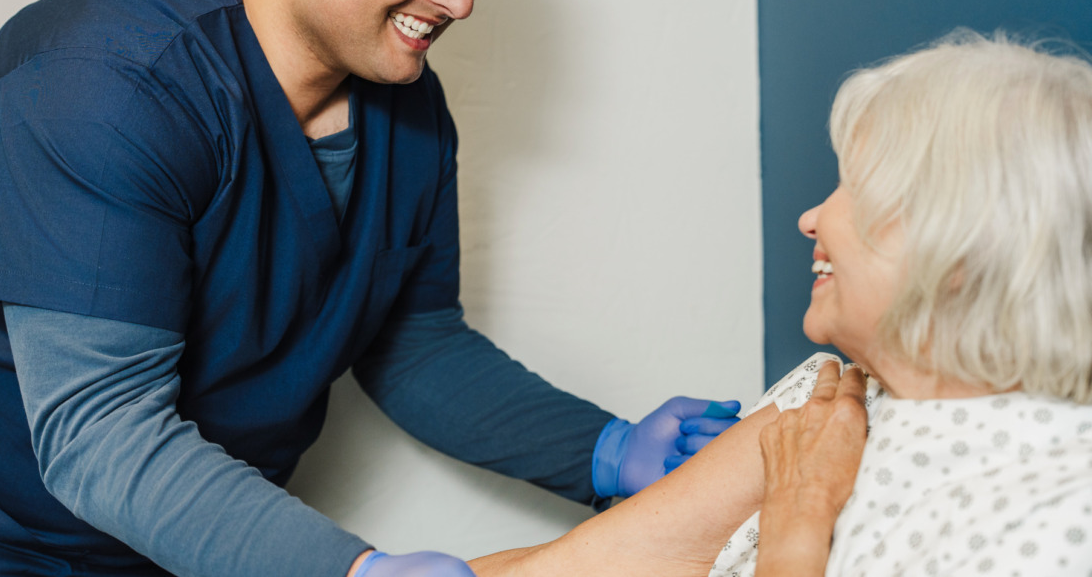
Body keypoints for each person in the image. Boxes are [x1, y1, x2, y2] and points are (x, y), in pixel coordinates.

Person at [0, 0, 743, 576]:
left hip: (146, 534)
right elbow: (100, 434)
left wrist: (606, 451)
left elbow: (413, 344)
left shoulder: (408, 109)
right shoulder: (107, 83)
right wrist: (350, 569)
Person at [467, 31, 1092, 576]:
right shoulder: (833, 399)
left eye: (854, 185)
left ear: (959, 245)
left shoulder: (1062, 512)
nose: (811, 217)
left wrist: (802, 515)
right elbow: (593, 564)